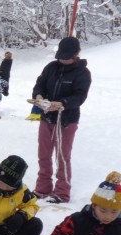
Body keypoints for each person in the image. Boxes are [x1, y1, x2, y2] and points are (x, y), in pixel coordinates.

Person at [32, 36, 92, 204]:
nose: (63, 60)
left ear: (76, 54)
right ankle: (43, 188)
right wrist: (38, 96)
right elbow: (39, 84)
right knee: (43, 154)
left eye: (67, 57)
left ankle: (62, 191)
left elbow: (80, 96)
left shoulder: (83, 73)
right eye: (61, 57)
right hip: (46, 117)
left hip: (66, 121)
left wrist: (62, 103)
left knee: (62, 157)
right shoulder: (51, 67)